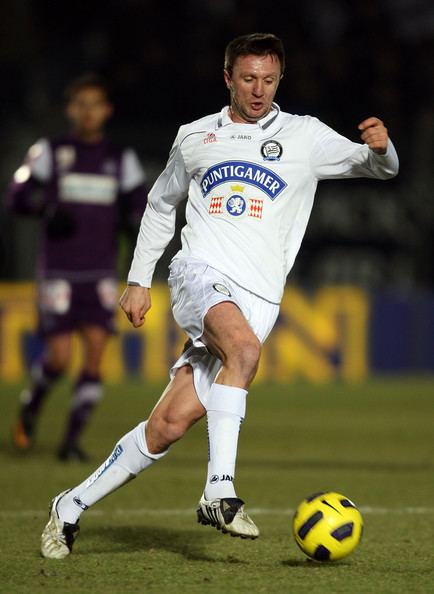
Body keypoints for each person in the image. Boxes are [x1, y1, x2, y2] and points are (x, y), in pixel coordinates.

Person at [40, 33, 399, 558]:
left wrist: (381, 146)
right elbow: (161, 206)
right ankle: (219, 490)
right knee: (245, 352)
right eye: (248, 79)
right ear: (227, 77)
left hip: (260, 297)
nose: (259, 91)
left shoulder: (304, 137)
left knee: (168, 425)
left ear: (281, 80)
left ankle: (69, 505)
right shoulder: (195, 137)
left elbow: (382, 169)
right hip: (198, 273)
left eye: (269, 80)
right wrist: (139, 278)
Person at [7, 74, 147, 461]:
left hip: (101, 271)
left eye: (95, 104)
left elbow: (140, 206)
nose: (88, 112)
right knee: (59, 358)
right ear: (70, 110)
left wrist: (131, 222)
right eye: (80, 104)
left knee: (96, 352)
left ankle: (70, 442)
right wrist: (45, 210)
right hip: (60, 272)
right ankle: (31, 406)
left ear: (107, 110)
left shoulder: (121, 159)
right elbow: (16, 197)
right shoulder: (50, 151)